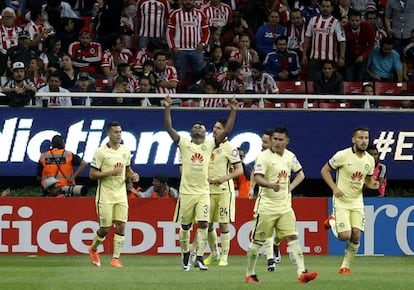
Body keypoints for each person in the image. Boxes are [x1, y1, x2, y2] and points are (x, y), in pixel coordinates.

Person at [164, 95, 238, 271]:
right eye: (195, 127)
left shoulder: (211, 144)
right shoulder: (183, 143)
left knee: (204, 223)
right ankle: (185, 256)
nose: (198, 128)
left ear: (206, 134)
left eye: (201, 127)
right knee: (185, 226)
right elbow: (168, 128)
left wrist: (233, 111)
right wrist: (167, 108)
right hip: (187, 193)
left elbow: (226, 131)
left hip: (204, 192)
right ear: (191, 133)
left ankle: (198, 257)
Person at [245, 126, 318, 284]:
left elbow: (301, 174)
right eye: (274, 139)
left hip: (285, 206)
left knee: (292, 237)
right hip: (266, 206)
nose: (277, 142)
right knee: (257, 242)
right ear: (271, 140)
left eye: (280, 140)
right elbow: (257, 177)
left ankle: (302, 272)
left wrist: (290, 187)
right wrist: (271, 185)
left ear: (287, 141)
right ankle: (250, 273)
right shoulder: (264, 157)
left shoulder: (290, 156)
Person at [321, 126, 380, 274]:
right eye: (360, 138)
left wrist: (372, 184)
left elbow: (367, 180)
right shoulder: (342, 155)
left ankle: (345, 267)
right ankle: (331, 221)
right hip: (341, 200)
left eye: (366, 138)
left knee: (356, 235)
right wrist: (334, 188)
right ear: (353, 139)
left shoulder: (369, 160)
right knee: (344, 236)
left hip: (357, 201)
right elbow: (324, 171)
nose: (363, 141)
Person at [88, 121, 140, 268]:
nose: (118, 135)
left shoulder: (125, 151)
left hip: (121, 194)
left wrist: (133, 175)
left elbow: (128, 169)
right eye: (115, 132)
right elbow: (92, 174)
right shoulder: (101, 152)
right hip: (105, 195)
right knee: (105, 229)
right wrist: (109, 173)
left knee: (121, 226)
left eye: (120, 132)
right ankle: (93, 249)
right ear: (108, 134)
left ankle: (115, 259)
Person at [201, 118, 243, 267]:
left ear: (225, 131)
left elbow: (239, 169)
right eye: (214, 127)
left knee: (223, 224)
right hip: (208, 190)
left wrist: (224, 178)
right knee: (207, 224)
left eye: (218, 128)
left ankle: (224, 256)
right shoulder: (208, 145)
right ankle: (214, 254)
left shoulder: (229, 148)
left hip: (224, 190)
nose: (215, 130)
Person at [166, 0, 210, 84]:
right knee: (180, 75)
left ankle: (196, 93)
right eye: (186, 0)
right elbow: (169, 32)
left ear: (193, 1)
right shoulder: (175, 14)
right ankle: (179, 94)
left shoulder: (200, 14)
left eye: (190, 0)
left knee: (198, 75)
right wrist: (172, 47)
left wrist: (203, 43)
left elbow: (206, 31)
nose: (188, 2)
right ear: (182, 1)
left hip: (196, 50)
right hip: (180, 50)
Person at [302, 0, 346, 81]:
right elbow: (307, 37)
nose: (325, 8)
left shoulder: (336, 23)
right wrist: (304, 54)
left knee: (330, 84)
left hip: (330, 59)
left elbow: (342, 41)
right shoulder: (313, 20)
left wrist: (342, 57)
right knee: (313, 83)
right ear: (320, 7)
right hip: (314, 58)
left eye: (327, 6)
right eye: (323, 6)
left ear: (331, 8)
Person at [343, 9, 375, 81]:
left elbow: (371, 44)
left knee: (360, 79)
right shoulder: (344, 28)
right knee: (348, 78)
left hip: (362, 55)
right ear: (348, 20)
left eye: (357, 21)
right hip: (349, 56)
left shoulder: (368, 27)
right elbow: (341, 43)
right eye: (352, 20)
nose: (355, 23)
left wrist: (363, 56)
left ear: (361, 20)